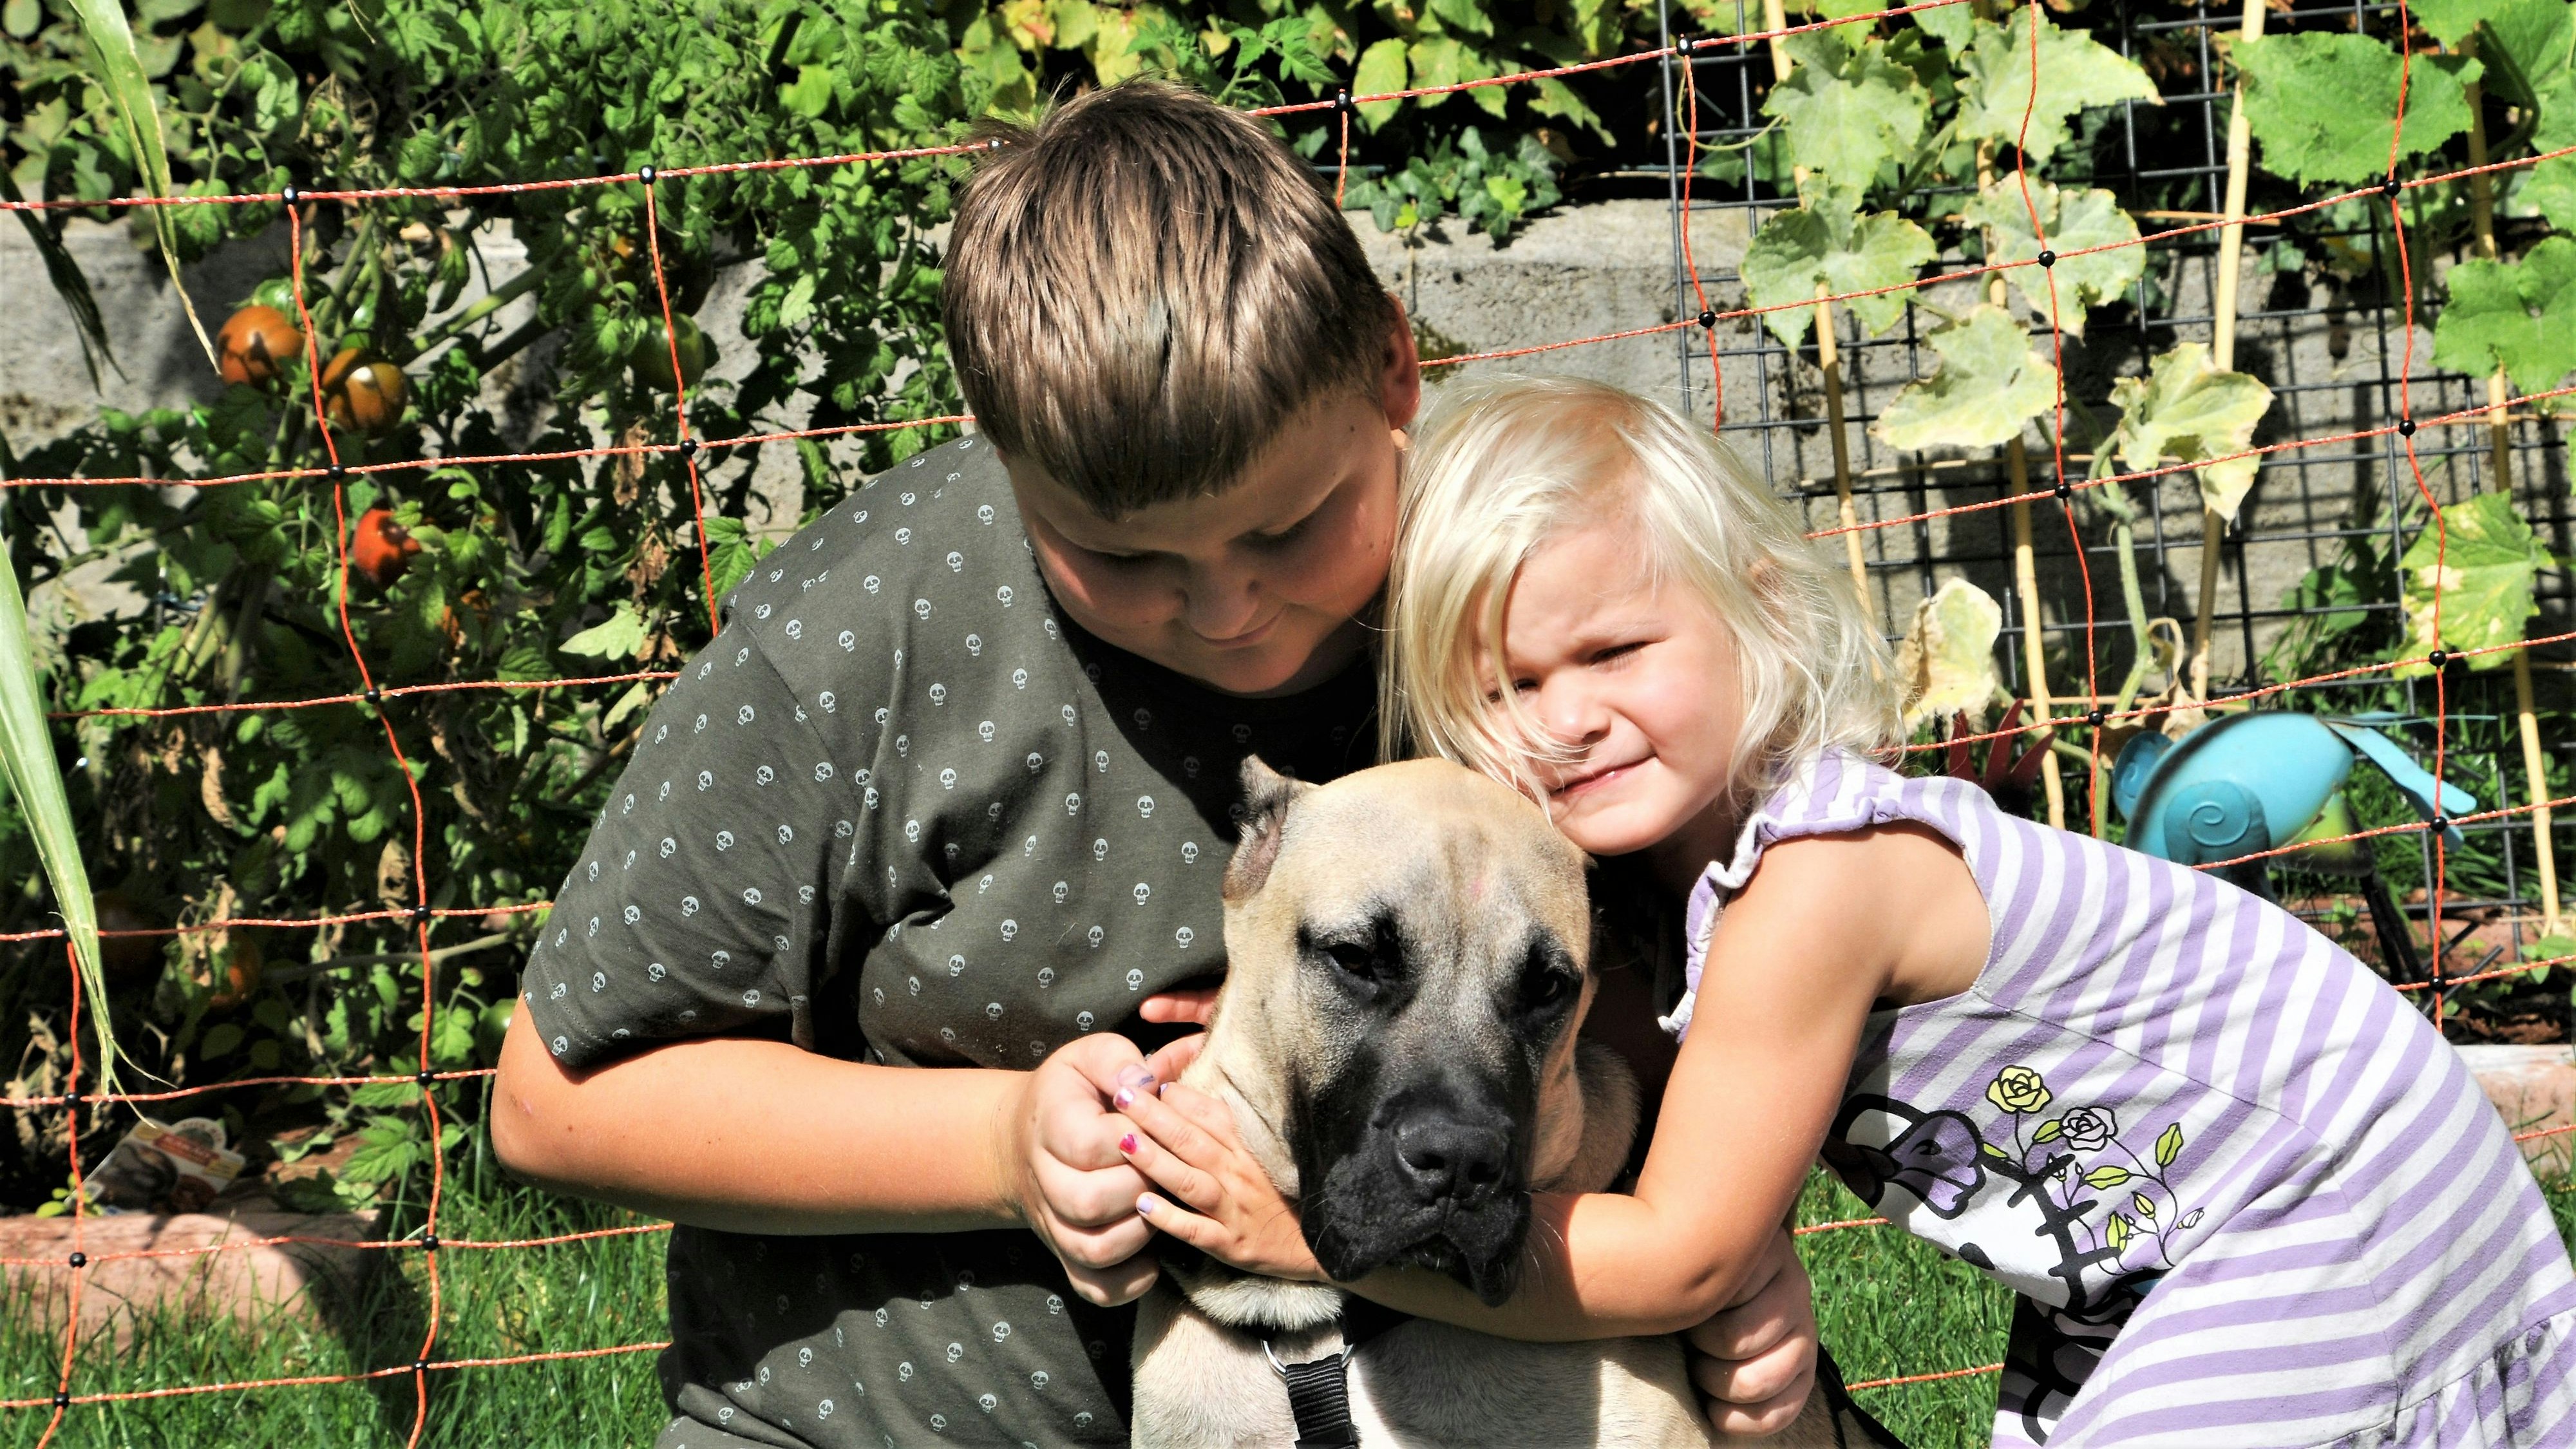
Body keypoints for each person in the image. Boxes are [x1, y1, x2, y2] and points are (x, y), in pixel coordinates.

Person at [492, 87, 1812, 1446]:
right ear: (1001, 453)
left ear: (1392, 373)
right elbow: (557, 1103)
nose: (1229, 608)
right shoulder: (871, 632)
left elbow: (1658, 948)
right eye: (1119, 558)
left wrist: (1691, 1236)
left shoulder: (1501, 591)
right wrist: (998, 1145)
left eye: (1293, 527)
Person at [1120, 375, 2576, 1446]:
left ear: (1757, 613)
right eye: (1507, 685)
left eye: (1614, 650)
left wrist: (1292, 1234)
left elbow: (1678, 1253)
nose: (1564, 719)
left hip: (2325, 1203)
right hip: (2132, 1256)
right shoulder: (1640, 896)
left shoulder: (1816, 878)